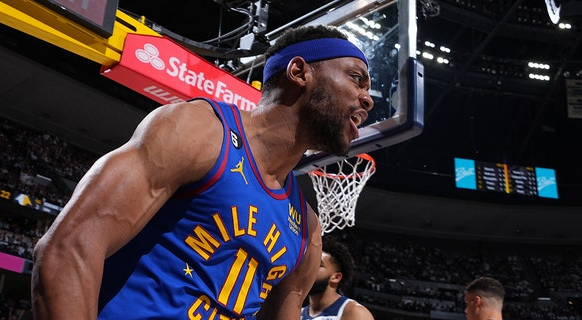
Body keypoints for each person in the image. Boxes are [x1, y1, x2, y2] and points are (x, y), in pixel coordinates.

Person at [32, 23, 374, 320]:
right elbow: (68, 248)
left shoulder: (307, 231)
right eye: (357, 78)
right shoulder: (200, 132)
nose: (367, 98)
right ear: (299, 72)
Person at [301, 238, 374, 320]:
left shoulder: (355, 313)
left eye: (318, 265)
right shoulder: (298, 313)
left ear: (336, 277)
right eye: (309, 263)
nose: (309, 268)